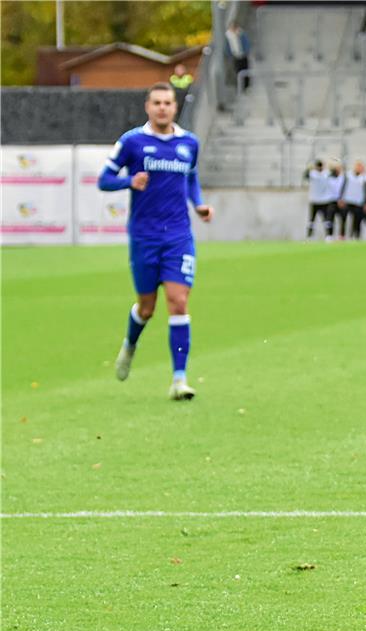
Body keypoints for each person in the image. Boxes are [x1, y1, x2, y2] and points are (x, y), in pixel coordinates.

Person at [98, 82, 214, 401]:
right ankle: (130, 344)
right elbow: (104, 180)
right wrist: (129, 181)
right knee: (147, 308)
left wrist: (198, 205)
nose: (162, 108)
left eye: (167, 103)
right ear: (148, 107)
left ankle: (179, 379)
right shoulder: (132, 142)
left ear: (175, 107)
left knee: (178, 301)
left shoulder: (189, 143)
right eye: (157, 103)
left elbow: (191, 178)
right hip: (144, 236)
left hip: (178, 236)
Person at [342, 160, 366, 239]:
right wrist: (341, 198)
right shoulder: (348, 176)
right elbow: (343, 187)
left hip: (359, 202)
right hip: (349, 201)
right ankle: (346, 235)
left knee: (359, 220)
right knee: (345, 218)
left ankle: (360, 236)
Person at [304, 159, 333, 240]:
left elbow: (334, 174)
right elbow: (305, 176)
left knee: (326, 220)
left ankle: (328, 236)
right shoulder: (314, 173)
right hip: (315, 200)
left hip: (324, 200)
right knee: (312, 220)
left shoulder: (326, 173)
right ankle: (310, 236)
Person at [225, 22, 251, 91]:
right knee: (237, 71)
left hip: (243, 55)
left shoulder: (241, 33)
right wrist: (230, 54)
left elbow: (246, 43)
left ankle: (247, 86)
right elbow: (227, 47)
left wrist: (246, 52)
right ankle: (240, 86)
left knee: (245, 69)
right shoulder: (228, 36)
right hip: (235, 56)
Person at [327, 161, 347, 240]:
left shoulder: (344, 177)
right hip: (331, 201)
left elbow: (345, 189)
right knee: (330, 219)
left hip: (341, 201)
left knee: (343, 219)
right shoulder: (329, 177)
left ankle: (342, 235)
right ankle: (329, 235)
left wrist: (342, 199)